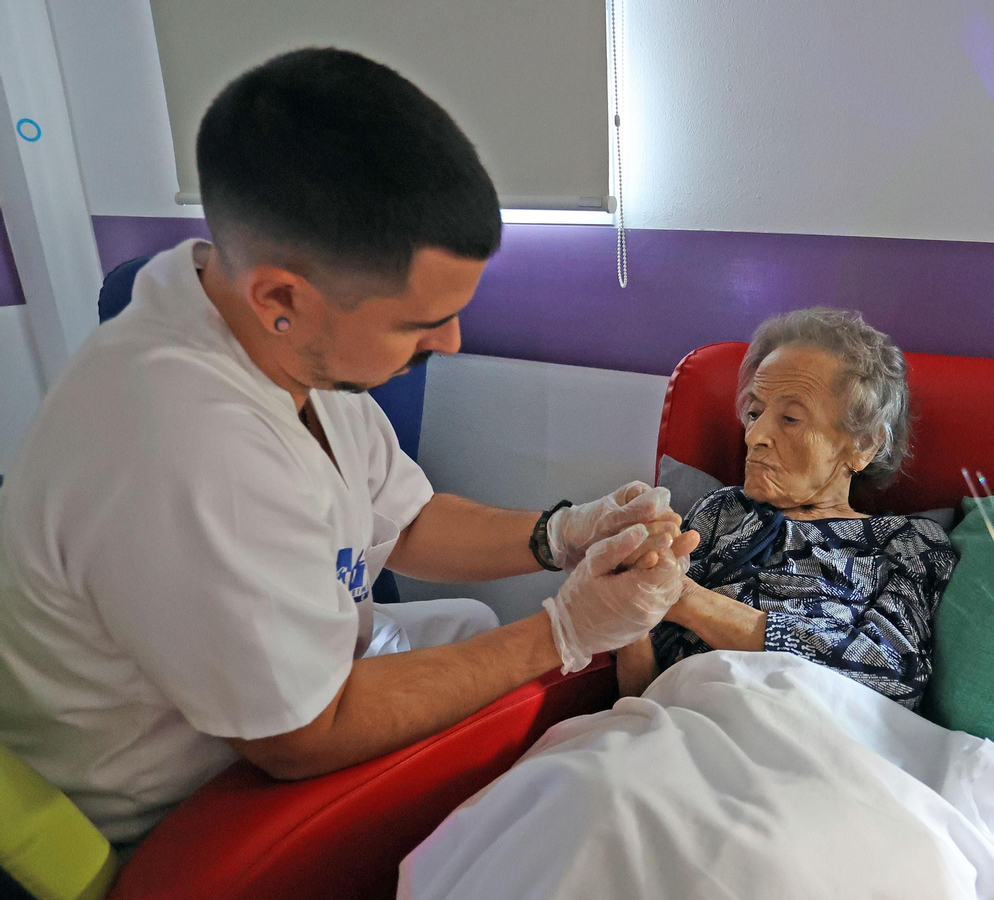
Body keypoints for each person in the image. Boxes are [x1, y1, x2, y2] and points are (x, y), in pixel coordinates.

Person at [0, 48, 694, 848]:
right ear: (281, 298)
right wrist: (564, 632)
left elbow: (408, 519)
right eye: (418, 324)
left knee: (473, 627)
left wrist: (563, 533)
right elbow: (298, 739)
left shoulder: (250, 320)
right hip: (181, 808)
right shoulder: (186, 444)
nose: (455, 342)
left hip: (278, 695)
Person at [618, 308, 957, 708]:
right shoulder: (721, 512)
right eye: (754, 413)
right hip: (679, 728)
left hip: (817, 740)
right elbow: (641, 695)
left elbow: (895, 675)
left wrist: (690, 602)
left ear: (863, 443)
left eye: (791, 418)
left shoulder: (908, 542)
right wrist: (631, 583)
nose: (754, 436)